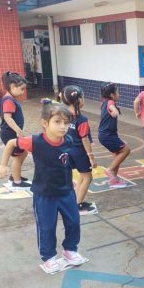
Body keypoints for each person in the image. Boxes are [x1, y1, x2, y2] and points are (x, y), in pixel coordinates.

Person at [0, 101, 88, 274]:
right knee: (46, 227)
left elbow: (65, 161)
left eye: (66, 123)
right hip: (45, 195)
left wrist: (71, 178)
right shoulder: (35, 142)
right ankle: (48, 258)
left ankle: (70, 250)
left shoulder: (68, 140)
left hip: (66, 191)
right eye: (57, 122)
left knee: (74, 222)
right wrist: (2, 165)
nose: (63, 127)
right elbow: (10, 143)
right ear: (45, 124)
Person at [62, 85, 98, 215]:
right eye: (82, 97)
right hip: (80, 152)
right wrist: (91, 157)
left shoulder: (64, 115)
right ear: (79, 100)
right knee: (87, 177)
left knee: (82, 177)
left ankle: (76, 201)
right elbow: (84, 139)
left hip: (69, 149)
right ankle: (78, 205)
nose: (84, 99)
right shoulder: (81, 119)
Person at [0, 71, 31, 190]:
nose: (23, 92)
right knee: (19, 155)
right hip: (10, 133)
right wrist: (18, 130)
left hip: (10, 133)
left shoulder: (10, 99)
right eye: (22, 89)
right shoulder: (8, 100)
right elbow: (7, 117)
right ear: (12, 87)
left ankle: (15, 176)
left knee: (23, 153)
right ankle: (16, 181)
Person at [98, 82, 131, 188]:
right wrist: (115, 111)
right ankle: (110, 170)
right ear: (112, 95)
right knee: (126, 150)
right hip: (107, 135)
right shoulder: (110, 102)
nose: (119, 93)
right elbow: (111, 107)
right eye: (117, 92)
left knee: (117, 155)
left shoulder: (104, 102)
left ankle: (113, 180)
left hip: (107, 135)